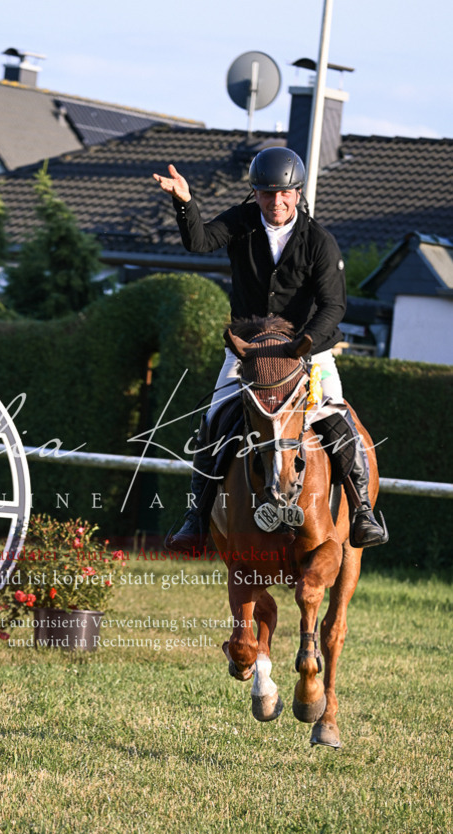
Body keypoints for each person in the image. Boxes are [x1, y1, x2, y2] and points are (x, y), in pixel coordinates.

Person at [153, 146, 388, 550]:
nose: (275, 202)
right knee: (214, 419)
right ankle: (196, 518)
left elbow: (334, 306)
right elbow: (199, 241)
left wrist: (303, 344)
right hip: (250, 353)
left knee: (336, 415)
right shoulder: (242, 222)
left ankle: (362, 511)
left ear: (297, 193)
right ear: (256, 193)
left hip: (306, 351)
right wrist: (185, 202)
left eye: (283, 193)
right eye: (266, 193)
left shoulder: (319, 241)